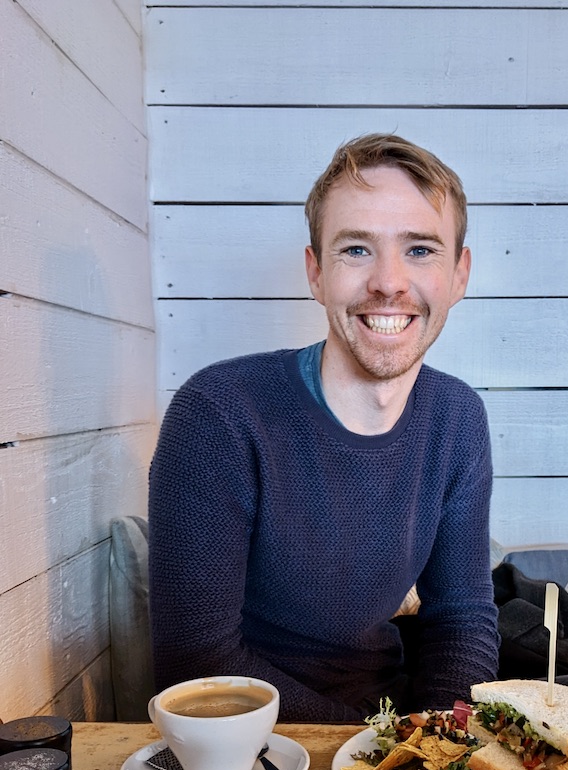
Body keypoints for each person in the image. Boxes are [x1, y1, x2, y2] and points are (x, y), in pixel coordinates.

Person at [148, 133, 501, 723]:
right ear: (316, 272)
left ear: (459, 275)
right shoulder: (217, 414)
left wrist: (441, 740)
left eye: (420, 250)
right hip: (253, 742)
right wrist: (381, 750)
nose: (389, 282)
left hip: (394, 722)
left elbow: (461, 616)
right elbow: (197, 666)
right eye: (356, 249)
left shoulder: (458, 418)